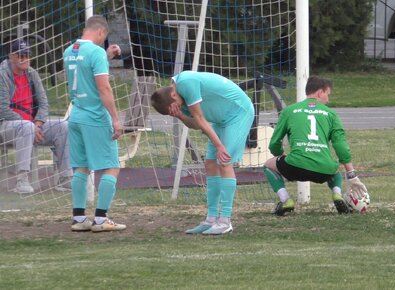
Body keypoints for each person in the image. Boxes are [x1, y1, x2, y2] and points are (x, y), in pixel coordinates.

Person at [151, 71, 254, 235]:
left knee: (224, 161)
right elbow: (196, 124)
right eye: (173, 110)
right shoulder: (178, 97)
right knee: (210, 163)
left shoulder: (186, 83)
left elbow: (199, 118)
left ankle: (225, 221)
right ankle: (211, 218)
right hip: (221, 120)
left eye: (175, 107)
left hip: (238, 113)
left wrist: (220, 146)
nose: (177, 108)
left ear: (173, 93)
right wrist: (179, 116)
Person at [263, 76, 368, 216]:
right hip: (324, 170)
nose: (328, 100)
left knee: (267, 165)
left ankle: (285, 200)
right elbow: (341, 146)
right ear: (320, 93)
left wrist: (280, 155)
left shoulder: (289, 111)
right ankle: (337, 194)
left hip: (295, 166)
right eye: (327, 94)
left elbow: (274, 143)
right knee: (334, 168)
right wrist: (351, 174)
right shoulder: (331, 114)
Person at [63, 15, 126, 232]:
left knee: (81, 167)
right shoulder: (96, 52)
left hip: (76, 115)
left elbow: (85, 73)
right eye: (104, 38)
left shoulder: (69, 51)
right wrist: (116, 119)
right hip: (95, 117)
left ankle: (79, 219)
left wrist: (106, 56)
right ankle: (101, 219)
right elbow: (103, 88)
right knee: (112, 166)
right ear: (100, 32)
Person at [0, 39, 72, 193]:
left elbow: (44, 102)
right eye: (20, 55)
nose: (25, 58)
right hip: (6, 126)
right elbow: (2, 109)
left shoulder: (32, 73)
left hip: (32, 125)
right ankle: (22, 180)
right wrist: (31, 126)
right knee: (26, 127)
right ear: (11, 57)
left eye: (27, 55)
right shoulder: (2, 75)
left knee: (64, 125)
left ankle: (66, 177)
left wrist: (37, 124)